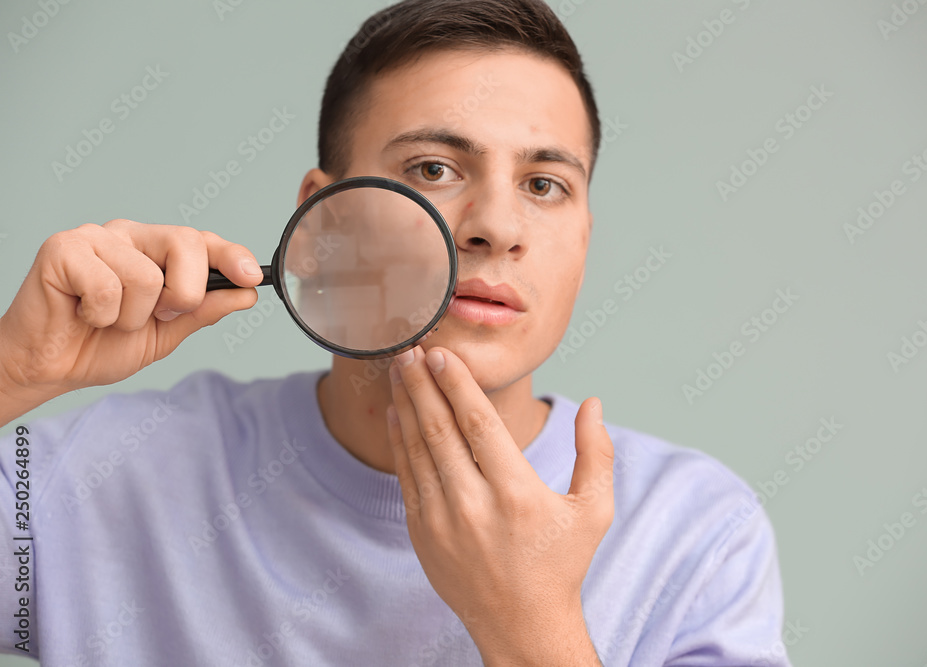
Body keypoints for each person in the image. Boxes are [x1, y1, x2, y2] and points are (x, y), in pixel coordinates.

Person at [0, 0, 791, 664]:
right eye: (434, 169)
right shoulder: (104, 478)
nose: (497, 228)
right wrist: (11, 371)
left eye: (544, 184)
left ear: (584, 237)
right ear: (326, 217)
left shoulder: (698, 534)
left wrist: (529, 626)